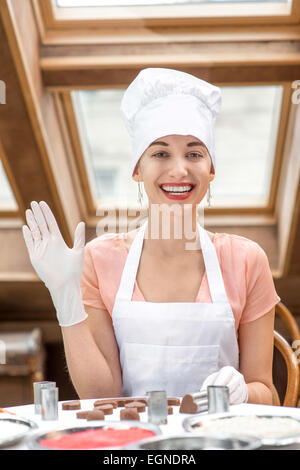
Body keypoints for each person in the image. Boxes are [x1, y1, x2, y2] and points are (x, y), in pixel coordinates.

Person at [22, 68, 280, 405]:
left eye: (194, 153)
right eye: (160, 153)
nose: (179, 170)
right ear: (136, 169)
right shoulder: (100, 260)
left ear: (211, 169)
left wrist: (244, 392)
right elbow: (101, 396)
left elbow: (268, 393)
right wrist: (64, 296)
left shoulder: (247, 260)